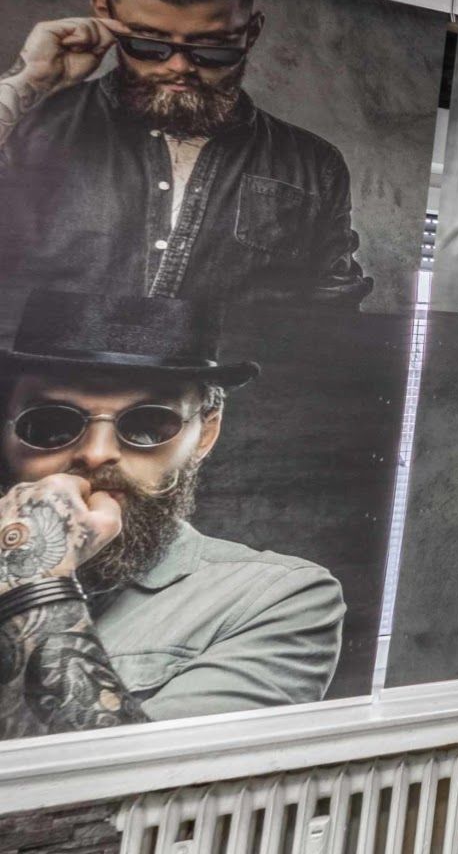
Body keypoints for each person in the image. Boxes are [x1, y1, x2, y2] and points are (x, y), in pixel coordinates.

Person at [0, 290, 345, 740]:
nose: (97, 454)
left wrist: (34, 576)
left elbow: (136, 794)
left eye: (147, 424)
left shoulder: (278, 599)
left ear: (206, 434)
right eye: (50, 424)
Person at [0, 0, 374, 308]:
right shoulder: (28, 125)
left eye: (212, 48)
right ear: (104, 14)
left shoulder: (313, 162)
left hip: (231, 372)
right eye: (149, 44)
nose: (179, 67)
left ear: (251, 33)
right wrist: (25, 84)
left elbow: (331, 312)